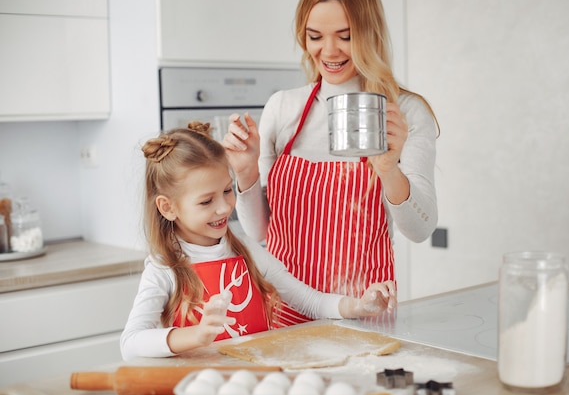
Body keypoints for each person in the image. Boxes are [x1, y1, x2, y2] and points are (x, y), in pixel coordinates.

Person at [222, 0, 439, 327]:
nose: (329, 51)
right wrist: (245, 171)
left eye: (345, 35)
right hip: (284, 311)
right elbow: (260, 232)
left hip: (364, 312)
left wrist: (387, 168)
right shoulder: (283, 108)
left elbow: (421, 229)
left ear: (370, 34)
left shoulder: (404, 112)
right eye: (315, 36)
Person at [120, 122, 396, 360]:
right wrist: (197, 335)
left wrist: (359, 305)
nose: (224, 208)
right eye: (206, 201)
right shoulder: (164, 268)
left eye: (227, 190)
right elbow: (130, 343)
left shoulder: (245, 250)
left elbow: (308, 300)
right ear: (168, 207)